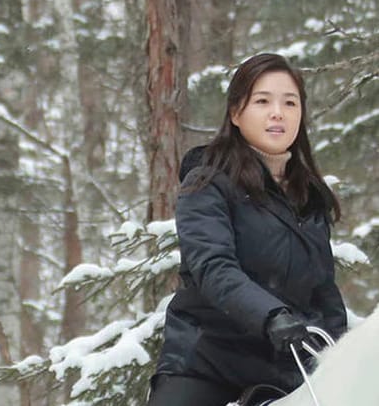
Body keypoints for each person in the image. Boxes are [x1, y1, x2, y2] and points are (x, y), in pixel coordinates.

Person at [147, 53, 347, 406]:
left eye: (290, 103)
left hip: (287, 369)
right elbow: (213, 266)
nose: (278, 113)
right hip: (208, 363)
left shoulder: (309, 194)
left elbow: (323, 290)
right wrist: (271, 315)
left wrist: (340, 355)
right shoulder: (207, 182)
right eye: (262, 101)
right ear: (236, 113)